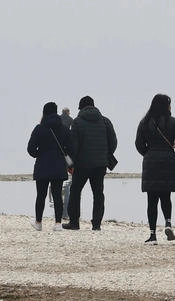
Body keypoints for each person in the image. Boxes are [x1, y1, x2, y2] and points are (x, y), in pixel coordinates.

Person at [134, 93, 175, 243]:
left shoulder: (144, 123)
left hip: (151, 161)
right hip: (169, 161)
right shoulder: (174, 122)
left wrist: (148, 153)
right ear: (166, 106)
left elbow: (138, 144)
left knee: (151, 199)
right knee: (166, 196)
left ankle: (152, 235)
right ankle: (168, 223)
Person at [62, 95, 118, 231]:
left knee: (75, 191)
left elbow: (73, 146)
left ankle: (74, 223)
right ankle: (96, 224)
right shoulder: (105, 121)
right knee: (98, 193)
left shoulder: (77, 122)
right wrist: (105, 155)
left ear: (81, 108)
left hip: (82, 164)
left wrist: (70, 164)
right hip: (100, 164)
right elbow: (114, 142)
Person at [27, 101, 75, 230]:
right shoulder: (64, 129)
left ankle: (38, 222)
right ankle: (58, 223)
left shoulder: (39, 128)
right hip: (58, 166)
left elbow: (30, 148)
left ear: (44, 113)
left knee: (41, 195)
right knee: (57, 195)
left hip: (42, 166)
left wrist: (39, 154)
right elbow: (71, 148)